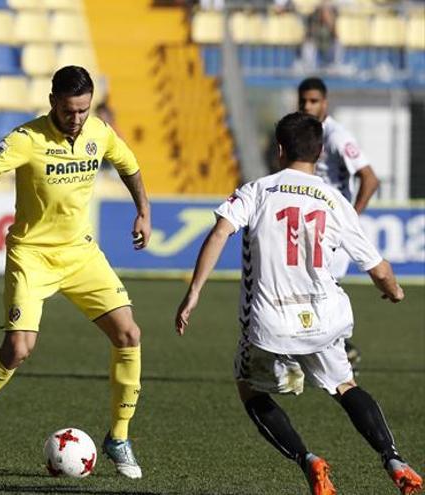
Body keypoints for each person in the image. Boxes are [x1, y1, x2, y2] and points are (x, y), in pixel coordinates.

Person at [175, 112, 422, 495]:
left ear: (278, 151)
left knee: (249, 388)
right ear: (320, 152)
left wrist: (194, 293)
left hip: (271, 324)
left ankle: (309, 460)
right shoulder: (335, 200)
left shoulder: (257, 190)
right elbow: (378, 268)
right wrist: (394, 291)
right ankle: (393, 458)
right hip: (324, 319)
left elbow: (220, 232)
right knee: (345, 385)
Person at [0, 65, 152, 479]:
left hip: (80, 254)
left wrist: (143, 210)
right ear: (53, 100)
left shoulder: (99, 131)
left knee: (129, 334)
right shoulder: (28, 139)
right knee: (18, 349)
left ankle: (119, 436)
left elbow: (129, 165)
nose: (77, 119)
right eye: (70, 110)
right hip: (32, 255)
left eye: (84, 111)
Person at [298, 76, 379, 369]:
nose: (308, 106)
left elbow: (369, 177)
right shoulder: (305, 134)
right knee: (306, 289)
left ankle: (338, 352)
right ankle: (335, 351)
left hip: (330, 231)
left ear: (325, 103)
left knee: (317, 290)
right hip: (310, 226)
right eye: (304, 100)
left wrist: (351, 219)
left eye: (314, 101)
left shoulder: (336, 136)